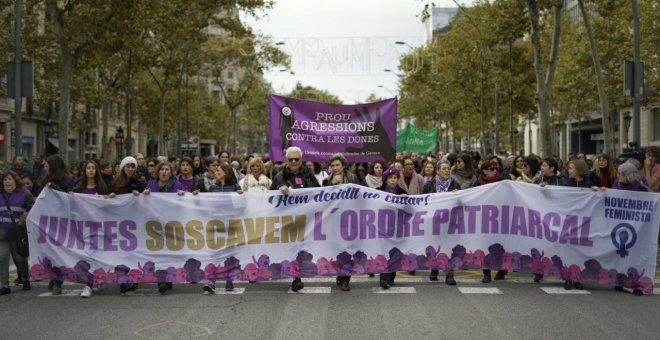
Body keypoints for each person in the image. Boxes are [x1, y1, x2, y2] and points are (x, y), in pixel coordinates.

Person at [271, 146, 320, 292]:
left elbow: (318, 190)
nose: (293, 162)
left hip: (306, 219)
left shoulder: (308, 174)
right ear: (286, 160)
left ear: (301, 160)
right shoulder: (280, 175)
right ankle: (296, 277)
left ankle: (297, 274)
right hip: (288, 220)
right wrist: (280, 188)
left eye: (296, 159)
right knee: (293, 248)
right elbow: (271, 196)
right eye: (290, 159)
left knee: (302, 248)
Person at [71, 160, 109, 297]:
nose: (91, 170)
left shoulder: (103, 187)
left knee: (93, 254)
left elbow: (109, 206)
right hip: (83, 226)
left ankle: (89, 283)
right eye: (88, 168)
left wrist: (107, 199)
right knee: (86, 254)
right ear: (85, 170)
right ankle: (90, 281)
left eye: (93, 168)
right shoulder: (79, 188)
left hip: (98, 227)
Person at [323, 153, 360, 292]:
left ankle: (346, 278)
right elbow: (324, 198)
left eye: (337, 165)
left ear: (343, 166)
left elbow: (360, 194)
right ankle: (339, 273)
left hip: (349, 218)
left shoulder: (353, 178)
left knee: (348, 249)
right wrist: (332, 185)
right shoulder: (327, 180)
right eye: (332, 166)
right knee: (337, 249)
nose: (335, 168)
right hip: (334, 219)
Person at [204, 163, 243, 293]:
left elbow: (241, 207)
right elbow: (207, 204)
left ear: (225, 172)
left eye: (218, 170)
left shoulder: (235, 187)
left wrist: (241, 196)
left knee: (230, 254)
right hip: (216, 224)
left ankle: (229, 280)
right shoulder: (213, 188)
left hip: (231, 225)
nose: (215, 172)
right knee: (215, 253)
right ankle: (211, 281)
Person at [109, 157, 145, 294]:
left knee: (135, 252)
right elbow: (107, 200)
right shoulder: (115, 183)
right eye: (127, 167)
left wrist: (140, 195)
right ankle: (123, 278)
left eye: (132, 167)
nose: (130, 169)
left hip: (136, 223)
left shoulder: (138, 183)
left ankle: (134, 280)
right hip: (120, 223)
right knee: (123, 253)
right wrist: (111, 197)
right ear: (123, 168)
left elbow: (146, 199)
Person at [42, 155, 76, 295]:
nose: (44, 168)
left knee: (59, 251)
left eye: (47, 165)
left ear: (53, 166)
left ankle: (58, 280)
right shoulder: (45, 179)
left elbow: (69, 197)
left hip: (63, 221)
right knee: (50, 251)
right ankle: (54, 276)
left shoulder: (68, 179)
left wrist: (54, 187)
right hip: (49, 220)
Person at [422, 160, 460, 284]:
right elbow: (423, 202)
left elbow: (461, 203)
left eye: (448, 168)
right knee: (434, 246)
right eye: (444, 168)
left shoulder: (455, 184)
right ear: (437, 171)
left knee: (449, 247)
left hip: (450, 222)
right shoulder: (429, 185)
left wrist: (457, 197)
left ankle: (450, 274)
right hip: (434, 221)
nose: (447, 170)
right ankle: (434, 268)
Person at [0, 171, 34, 295]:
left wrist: (26, 215)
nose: (7, 182)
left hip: (18, 230)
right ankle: (4, 285)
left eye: (9, 179)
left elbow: (33, 208)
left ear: (15, 180)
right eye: (5, 180)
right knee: (2, 257)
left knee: (19, 257)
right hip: (2, 231)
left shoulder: (25, 193)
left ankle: (25, 280)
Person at [476, 159, 508, 282]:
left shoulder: (503, 183)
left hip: (500, 219)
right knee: (485, 246)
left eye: (496, 169)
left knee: (501, 246)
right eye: (491, 169)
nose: (495, 171)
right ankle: (486, 273)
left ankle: (502, 269)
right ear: (484, 171)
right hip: (482, 219)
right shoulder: (477, 183)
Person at [378, 168, 407, 290]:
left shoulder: (402, 192)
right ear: (385, 180)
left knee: (395, 252)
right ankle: (384, 278)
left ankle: (391, 276)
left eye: (395, 177)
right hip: (382, 227)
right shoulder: (378, 192)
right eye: (390, 178)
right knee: (384, 252)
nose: (393, 180)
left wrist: (406, 200)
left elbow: (410, 209)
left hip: (397, 228)